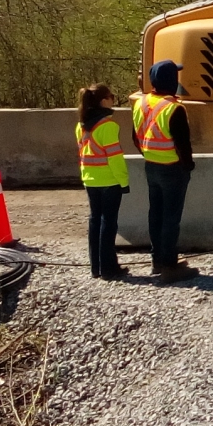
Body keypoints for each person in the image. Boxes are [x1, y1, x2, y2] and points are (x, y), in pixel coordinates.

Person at [133, 58, 197, 282]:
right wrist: (188, 166)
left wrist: (150, 154)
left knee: (156, 215)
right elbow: (183, 144)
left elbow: (136, 137)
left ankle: (157, 261)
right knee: (171, 218)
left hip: (151, 167)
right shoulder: (174, 108)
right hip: (172, 169)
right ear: (173, 80)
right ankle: (170, 266)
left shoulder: (141, 103)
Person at [76, 82, 129, 281]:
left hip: (90, 179)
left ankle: (96, 267)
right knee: (109, 223)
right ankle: (109, 268)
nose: (113, 99)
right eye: (111, 96)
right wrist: (123, 181)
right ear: (103, 101)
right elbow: (115, 158)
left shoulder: (81, 126)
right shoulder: (108, 126)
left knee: (95, 220)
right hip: (108, 180)